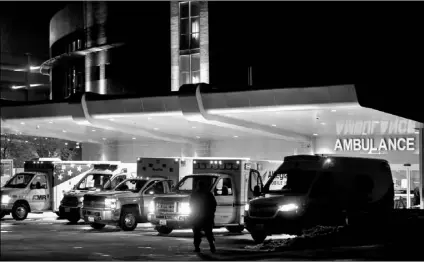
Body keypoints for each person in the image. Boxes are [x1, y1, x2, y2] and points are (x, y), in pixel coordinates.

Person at [188, 180, 217, 253]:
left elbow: (191, 205)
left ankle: (197, 247)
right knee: (209, 233)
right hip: (207, 217)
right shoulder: (208, 194)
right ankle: (212, 246)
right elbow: (214, 205)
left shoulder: (194, 194)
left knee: (197, 234)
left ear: (198, 186)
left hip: (197, 217)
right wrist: (211, 214)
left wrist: (192, 215)